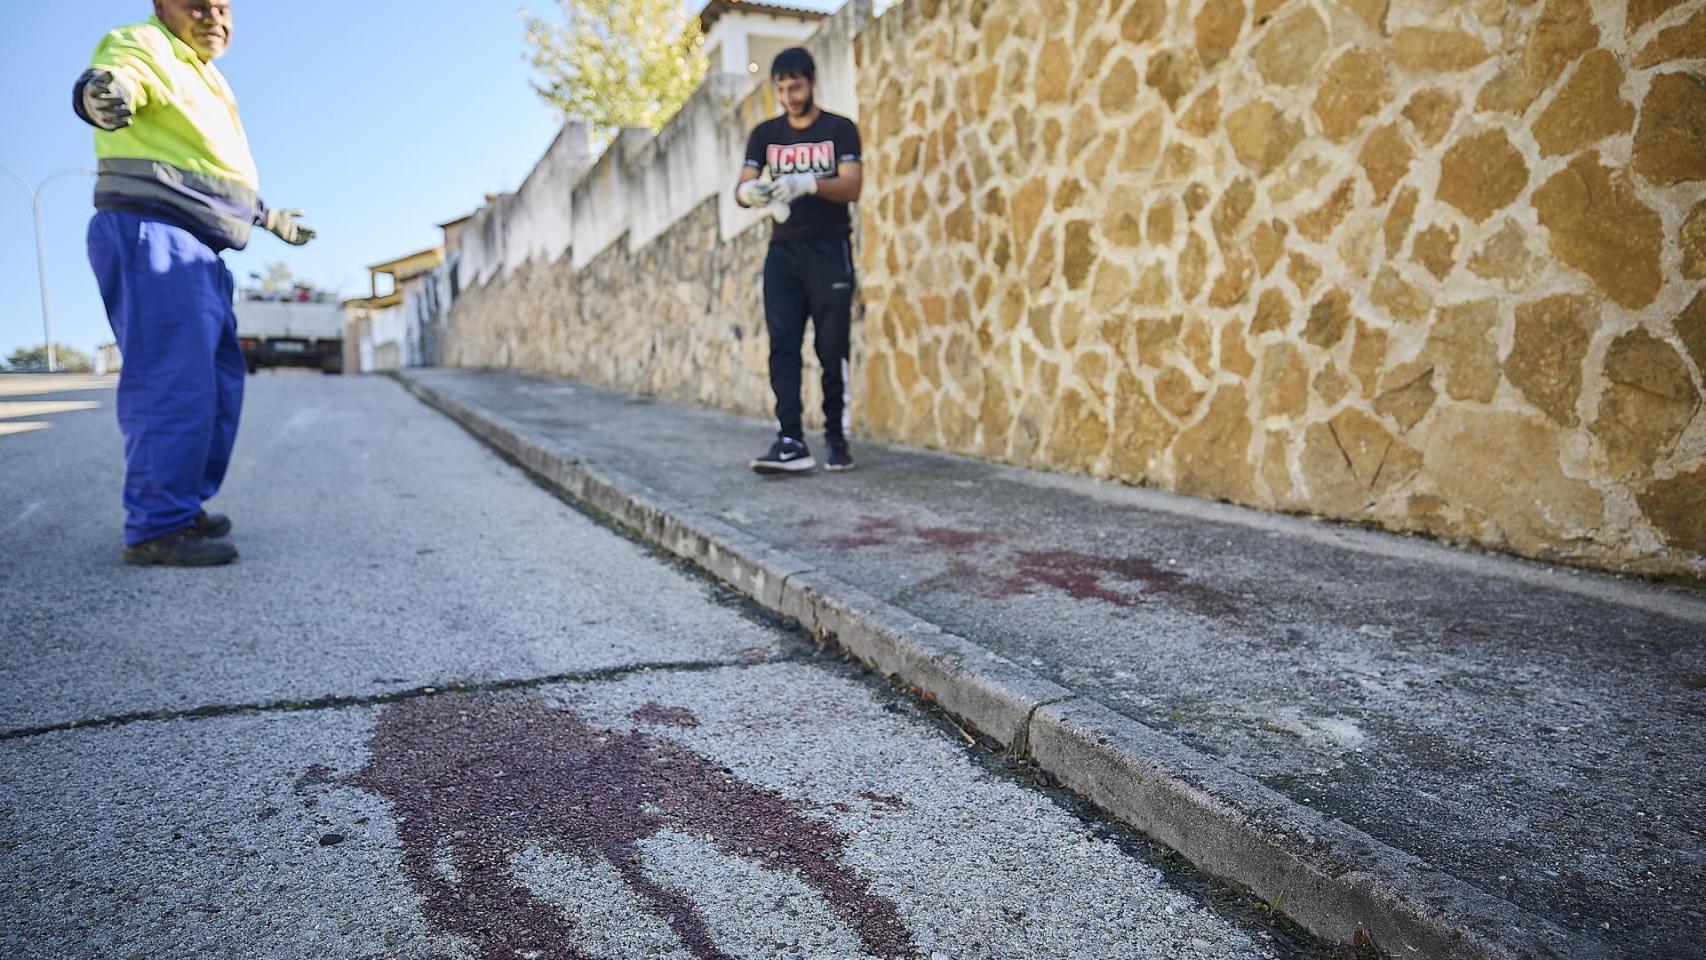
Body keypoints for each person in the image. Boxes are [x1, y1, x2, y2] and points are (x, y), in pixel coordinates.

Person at [74, 0, 315, 566]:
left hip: (202, 248)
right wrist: (104, 93)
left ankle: (181, 506)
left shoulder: (205, 77)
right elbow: (116, 76)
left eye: (224, 7)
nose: (214, 16)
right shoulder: (148, 44)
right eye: (197, 4)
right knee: (173, 383)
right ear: (163, 6)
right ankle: (156, 527)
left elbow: (207, 167)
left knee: (217, 386)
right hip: (154, 231)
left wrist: (267, 217)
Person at [734, 48, 863, 475]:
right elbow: (743, 186)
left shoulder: (840, 129)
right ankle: (790, 439)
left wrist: (809, 182)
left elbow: (851, 185)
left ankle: (836, 438)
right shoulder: (764, 135)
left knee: (831, 348)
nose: (789, 96)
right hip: (783, 253)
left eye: (796, 87)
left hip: (829, 251)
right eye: (782, 89)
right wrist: (751, 194)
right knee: (783, 346)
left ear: (812, 81)